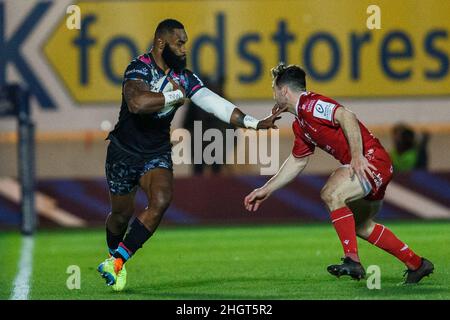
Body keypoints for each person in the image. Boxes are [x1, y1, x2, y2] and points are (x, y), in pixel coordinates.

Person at [98, 19, 284, 291]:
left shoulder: (185, 77)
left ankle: (117, 263)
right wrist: (175, 95)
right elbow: (137, 104)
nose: (184, 49)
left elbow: (215, 104)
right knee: (120, 215)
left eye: (185, 43)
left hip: (156, 152)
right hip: (123, 153)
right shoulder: (139, 68)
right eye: (179, 43)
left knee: (161, 200)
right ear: (161, 43)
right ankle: (114, 256)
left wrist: (254, 123)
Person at [244, 63, 434, 284]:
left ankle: (352, 259)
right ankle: (417, 264)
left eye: (274, 90)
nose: (274, 95)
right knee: (361, 226)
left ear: (284, 91)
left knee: (332, 194)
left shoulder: (310, 104)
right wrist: (266, 188)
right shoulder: (301, 124)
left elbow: (346, 115)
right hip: (373, 166)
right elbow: (297, 161)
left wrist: (356, 156)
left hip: (371, 161)